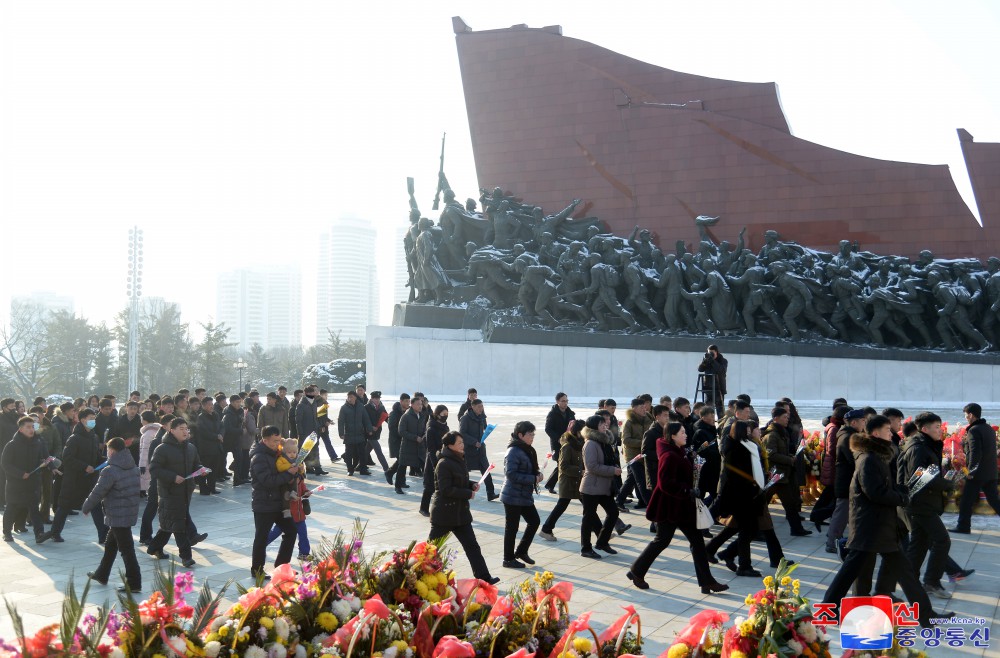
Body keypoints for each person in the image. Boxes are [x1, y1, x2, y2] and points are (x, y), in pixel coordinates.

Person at [821, 415, 951, 628]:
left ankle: (926, 615)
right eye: (887, 430)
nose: (892, 434)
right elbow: (875, 492)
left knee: (906, 574)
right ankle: (829, 610)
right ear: (875, 433)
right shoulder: (868, 459)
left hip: (882, 526)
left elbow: (886, 487)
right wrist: (902, 497)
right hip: (869, 527)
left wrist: (902, 490)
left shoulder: (879, 456)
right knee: (849, 573)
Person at [628, 421, 729, 594]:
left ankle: (707, 582)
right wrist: (687, 491)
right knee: (662, 541)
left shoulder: (679, 451)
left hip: (682, 507)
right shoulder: (669, 455)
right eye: (682, 432)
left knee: (697, 543)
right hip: (669, 507)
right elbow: (665, 483)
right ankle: (636, 571)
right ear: (673, 436)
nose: (686, 435)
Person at [427, 431, 500, 585]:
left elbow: (460, 480)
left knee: (472, 547)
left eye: (462, 442)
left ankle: (484, 578)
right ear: (450, 445)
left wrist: (471, 484)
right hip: (444, 514)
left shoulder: (459, 459)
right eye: (459, 443)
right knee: (431, 550)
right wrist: (468, 493)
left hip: (461, 514)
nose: (462, 445)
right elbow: (445, 489)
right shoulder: (444, 463)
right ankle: (420, 575)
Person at [899, 412, 954, 598]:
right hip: (920, 503)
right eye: (936, 427)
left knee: (919, 544)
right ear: (924, 429)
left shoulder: (926, 445)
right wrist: (946, 483)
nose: (941, 431)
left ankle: (911, 582)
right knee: (942, 540)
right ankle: (931, 581)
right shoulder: (919, 448)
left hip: (923, 502)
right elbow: (919, 478)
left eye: (940, 426)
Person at [82, 437, 141, 593]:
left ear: (112, 451)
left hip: (117, 513)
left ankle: (134, 582)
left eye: (108, 450)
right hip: (128, 511)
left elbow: (98, 491)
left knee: (127, 549)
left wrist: (86, 506)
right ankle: (102, 574)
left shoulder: (110, 470)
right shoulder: (132, 466)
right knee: (110, 545)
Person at [46, 408, 108, 543]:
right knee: (64, 506)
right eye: (90, 418)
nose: (93, 421)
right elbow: (67, 458)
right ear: (82, 420)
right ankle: (55, 533)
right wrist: (85, 466)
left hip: (90, 479)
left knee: (96, 506)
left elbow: (96, 457)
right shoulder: (74, 438)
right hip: (74, 480)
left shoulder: (93, 436)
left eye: (94, 418)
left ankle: (104, 535)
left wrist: (108, 460)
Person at [713, 420, 766, 577]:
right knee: (747, 530)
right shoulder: (736, 449)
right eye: (747, 431)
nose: (750, 433)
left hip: (748, 495)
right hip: (742, 497)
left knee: (746, 529)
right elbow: (737, 476)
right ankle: (744, 565)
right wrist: (753, 486)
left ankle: (724, 553)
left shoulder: (746, 446)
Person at [146, 417, 201, 567]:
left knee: (168, 523)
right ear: (172, 430)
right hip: (169, 491)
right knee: (179, 523)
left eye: (186, 429)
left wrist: (201, 470)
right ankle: (186, 557)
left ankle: (155, 547)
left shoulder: (191, 448)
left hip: (185, 491)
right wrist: (172, 477)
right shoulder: (162, 448)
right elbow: (154, 468)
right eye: (181, 429)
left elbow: (196, 464)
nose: (185, 432)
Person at [250, 426, 299, 578]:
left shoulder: (277, 453)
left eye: (279, 440)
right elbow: (267, 481)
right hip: (264, 504)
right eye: (274, 441)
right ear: (265, 440)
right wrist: (288, 474)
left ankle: (281, 567)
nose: (278, 443)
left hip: (279, 504)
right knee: (261, 537)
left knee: (291, 531)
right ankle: (257, 571)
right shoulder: (259, 457)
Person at [2, 416, 52, 544]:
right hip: (15, 483)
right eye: (28, 427)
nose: (31, 430)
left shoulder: (38, 443)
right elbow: (6, 464)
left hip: (33, 482)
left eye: (33, 426)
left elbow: (43, 458)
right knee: (12, 507)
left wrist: (47, 463)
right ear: (20, 429)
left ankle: (39, 533)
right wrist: (20, 474)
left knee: (34, 509)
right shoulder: (12, 445)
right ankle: (7, 532)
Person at [762, 407, 811, 536]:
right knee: (762, 504)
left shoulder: (782, 432)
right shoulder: (771, 434)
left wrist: (790, 456)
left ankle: (797, 529)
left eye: (787, 417)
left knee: (790, 504)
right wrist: (789, 460)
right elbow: (770, 455)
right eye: (784, 417)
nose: (787, 420)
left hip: (783, 475)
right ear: (775, 419)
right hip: (775, 475)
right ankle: (755, 530)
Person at [952, 402, 1000, 533]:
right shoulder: (989, 429)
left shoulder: (974, 430)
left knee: (966, 500)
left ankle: (963, 526)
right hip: (991, 472)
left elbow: (975, 452)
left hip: (978, 474)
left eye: (966, 415)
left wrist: (971, 471)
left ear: (971, 415)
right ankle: (963, 526)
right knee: (995, 501)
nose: (966, 418)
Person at [501, 420, 543, 568]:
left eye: (533, 434)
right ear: (520, 435)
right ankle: (508, 559)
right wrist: (533, 478)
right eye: (530, 434)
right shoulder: (513, 451)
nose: (532, 437)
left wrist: (537, 473)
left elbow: (528, 468)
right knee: (512, 528)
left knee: (534, 521)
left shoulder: (526, 449)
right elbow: (511, 474)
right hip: (512, 495)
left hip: (523, 494)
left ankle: (521, 551)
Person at [580, 415, 622, 559]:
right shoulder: (591, 443)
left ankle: (602, 542)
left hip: (604, 486)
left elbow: (608, 460)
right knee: (589, 518)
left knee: (613, 512)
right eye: (601, 424)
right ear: (593, 427)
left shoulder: (604, 442)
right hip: (591, 486)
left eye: (605, 423)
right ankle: (586, 548)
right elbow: (591, 466)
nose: (605, 426)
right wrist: (612, 470)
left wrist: (614, 467)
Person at [539, 419, 586, 541]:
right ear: (577, 432)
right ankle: (546, 529)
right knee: (562, 505)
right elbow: (563, 466)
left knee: (588, 506)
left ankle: (600, 531)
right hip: (568, 482)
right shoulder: (567, 446)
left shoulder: (581, 444)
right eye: (584, 431)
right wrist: (580, 471)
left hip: (577, 481)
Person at [265, 439, 313, 560]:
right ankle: (261, 544)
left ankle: (304, 553)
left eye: (294, 452)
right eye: (289, 452)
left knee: (303, 533)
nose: (292, 454)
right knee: (277, 531)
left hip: (299, 511)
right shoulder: (284, 470)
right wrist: (290, 496)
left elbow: (301, 484)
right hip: (287, 512)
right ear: (284, 453)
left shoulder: (299, 469)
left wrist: (306, 492)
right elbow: (282, 491)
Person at [828, 408, 865, 552]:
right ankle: (831, 543)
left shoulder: (851, 435)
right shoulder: (847, 437)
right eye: (862, 421)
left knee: (848, 514)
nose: (864, 423)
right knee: (841, 514)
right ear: (854, 422)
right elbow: (853, 459)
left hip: (850, 481)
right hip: (846, 482)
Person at [812, 404, 849, 532]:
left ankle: (817, 515)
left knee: (829, 493)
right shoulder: (834, 428)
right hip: (834, 465)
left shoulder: (834, 426)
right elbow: (833, 449)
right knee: (832, 494)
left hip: (832, 463)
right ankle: (818, 515)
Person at [618, 397, 653, 510]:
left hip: (645, 455)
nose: (644, 409)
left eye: (645, 406)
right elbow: (626, 440)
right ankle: (651, 505)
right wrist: (643, 443)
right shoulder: (628, 422)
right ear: (634, 409)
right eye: (641, 407)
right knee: (641, 481)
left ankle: (619, 500)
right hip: (633, 456)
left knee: (631, 479)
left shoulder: (649, 418)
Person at [460, 399, 498, 501]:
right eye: (479, 407)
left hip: (480, 449)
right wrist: (473, 442)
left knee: (486, 471)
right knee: (464, 473)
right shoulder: (465, 418)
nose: (481, 409)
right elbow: (462, 433)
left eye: (482, 406)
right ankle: (464, 493)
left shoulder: (481, 417)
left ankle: (491, 493)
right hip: (469, 450)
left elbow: (484, 428)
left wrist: (488, 430)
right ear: (473, 407)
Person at [419, 405, 450, 517]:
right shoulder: (431, 428)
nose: (445, 416)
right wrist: (435, 464)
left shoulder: (446, 427)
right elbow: (430, 449)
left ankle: (442, 509)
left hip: (443, 458)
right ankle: (423, 508)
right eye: (443, 414)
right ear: (437, 414)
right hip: (433, 460)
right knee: (429, 486)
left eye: (447, 414)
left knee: (442, 486)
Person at [543, 393, 575, 493]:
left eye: (566, 401)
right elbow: (548, 429)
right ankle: (552, 485)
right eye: (563, 401)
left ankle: (551, 484)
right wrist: (559, 438)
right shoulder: (552, 414)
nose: (565, 403)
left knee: (563, 464)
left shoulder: (570, 413)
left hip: (569, 442)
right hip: (557, 444)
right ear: (557, 402)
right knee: (561, 464)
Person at [393, 396, 426, 493]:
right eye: (418, 404)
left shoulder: (422, 416)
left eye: (421, 404)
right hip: (407, 446)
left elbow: (423, 428)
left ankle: (429, 485)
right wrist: (415, 437)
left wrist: (424, 435)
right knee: (402, 467)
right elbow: (401, 431)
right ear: (412, 405)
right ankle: (398, 486)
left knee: (425, 465)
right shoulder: (406, 416)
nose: (420, 406)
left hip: (419, 446)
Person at [339, 390, 374, 476]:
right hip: (349, 434)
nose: (350, 398)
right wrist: (341, 433)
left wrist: (369, 429)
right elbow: (341, 421)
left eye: (351, 397)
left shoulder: (360, 406)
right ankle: (350, 470)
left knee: (362, 453)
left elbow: (366, 419)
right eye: (348, 397)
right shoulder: (344, 408)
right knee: (349, 454)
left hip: (359, 434)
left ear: (355, 397)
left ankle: (363, 469)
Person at [194, 397, 223, 495]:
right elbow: (203, 432)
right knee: (204, 469)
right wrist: (216, 436)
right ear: (204, 406)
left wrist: (221, 435)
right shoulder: (201, 417)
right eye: (209, 404)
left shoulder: (216, 415)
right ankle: (203, 489)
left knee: (214, 470)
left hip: (217, 447)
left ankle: (212, 487)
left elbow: (222, 426)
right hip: (206, 448)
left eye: (212, 404)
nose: (211, 406)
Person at [363, 391, 391, 474]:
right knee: (378, 450)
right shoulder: (366, 407)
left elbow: (386, 417)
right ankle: (386, 468)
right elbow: (364, 420)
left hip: (377, 431)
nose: (377, 400)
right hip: (369, 432)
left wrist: (392, 424)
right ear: (371, 399)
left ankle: (360, 465)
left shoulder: (381, 406)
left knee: (366, 451)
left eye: (378, 398)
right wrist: (370, 428)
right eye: (375, 398)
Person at [697, 344, 728, 417]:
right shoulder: (707, 360)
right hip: (708, 388)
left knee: (720, 410)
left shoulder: (723, 361)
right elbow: (700, 369)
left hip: (719, 388)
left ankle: (721, 426)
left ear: (716, 352)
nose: (710, 354)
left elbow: (721, 371)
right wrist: (705, 361)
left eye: (712, 353)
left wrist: (713, 361)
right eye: (709, 353)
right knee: (708, 410)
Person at [137, 410, 160, 496]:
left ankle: (150, 495)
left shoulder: (147, 433)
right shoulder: (157, 431)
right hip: (156, 459)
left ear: (144, 420)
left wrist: (142, 465)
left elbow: (145, 450)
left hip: (147, 461)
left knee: (147, 480)